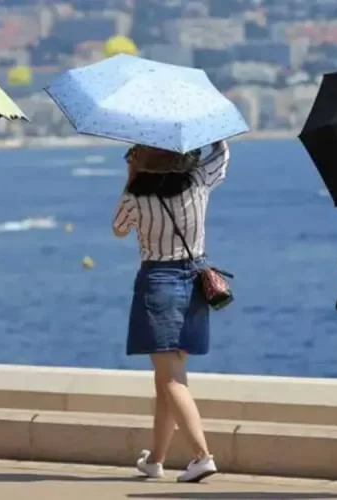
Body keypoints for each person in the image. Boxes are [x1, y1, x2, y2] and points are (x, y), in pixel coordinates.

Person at [112, 140, 230, 483]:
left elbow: (118, 229)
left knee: (170, 377)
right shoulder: (198, 182)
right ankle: (156, 460)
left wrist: (131, 176)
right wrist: (212, 134)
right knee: (168, 376)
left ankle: (202, 455)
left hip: (158, 282)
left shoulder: (135, 197)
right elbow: (221, 156)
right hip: (195, 281)